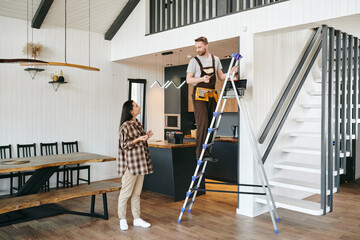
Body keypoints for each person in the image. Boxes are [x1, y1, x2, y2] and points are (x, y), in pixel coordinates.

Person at [186, 36, 237, 159]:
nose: (197, 50)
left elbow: (220, 76)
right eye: (196, 47)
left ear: (206, 46)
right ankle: (200, 154)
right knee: (202, 123)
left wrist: (231, 73)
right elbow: (189, 80)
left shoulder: (216, 59)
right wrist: (201, 79)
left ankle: (207, 151)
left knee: (211, 124)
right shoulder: (194, 61)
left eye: (199, 47)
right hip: (199, 94)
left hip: (211, 95)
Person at [117, 100, 154, 231]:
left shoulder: (137, 123)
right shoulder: (125, 126)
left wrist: (146, 137)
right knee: (125, 193)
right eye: (136, 106)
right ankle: (122, 219)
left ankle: (137, 219)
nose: (139, 107)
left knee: (137, 193)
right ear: (131, 111)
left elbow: (139, 142)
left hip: (140, 163)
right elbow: (125, 145)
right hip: (131, 165)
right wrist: (139, 139)